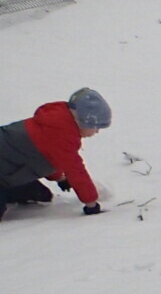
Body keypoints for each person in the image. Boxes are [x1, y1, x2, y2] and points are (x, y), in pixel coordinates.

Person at [0, 89, 110, 222]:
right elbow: (76, 171)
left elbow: (46, 154)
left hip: (8, 170)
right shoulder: (63, 134)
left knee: (42, 196)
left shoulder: (57, 125)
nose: (96, 132)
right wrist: (91, 203)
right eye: (96, 127)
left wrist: (59, 178)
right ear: (83, 120)